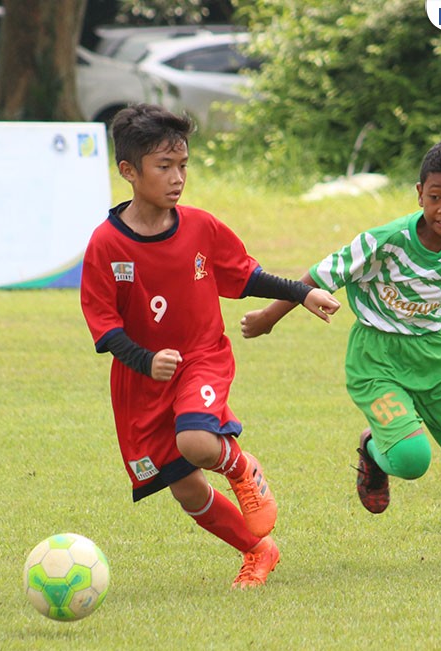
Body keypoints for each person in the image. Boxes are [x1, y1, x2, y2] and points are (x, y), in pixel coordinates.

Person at [79, 104, 341, 589]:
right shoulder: (106, 244)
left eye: (183, 165)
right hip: (143, 381)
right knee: (185, 487)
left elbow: (245, 275)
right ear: (128, 172)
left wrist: (302, 292)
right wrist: (145, 360)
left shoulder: (200, 226)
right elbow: (104, 325)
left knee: (197, 442)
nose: (177, 177)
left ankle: (243, 468)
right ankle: (258, 550)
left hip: (202, 358)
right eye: (164, 167)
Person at [242, 138, 441, 567]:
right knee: (412, 461)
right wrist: (270, 316)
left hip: (438, 354)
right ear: (419, 193)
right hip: (376, 357)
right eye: (435, 197)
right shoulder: (385, 240)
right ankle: (375, 451)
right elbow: (319, 275)